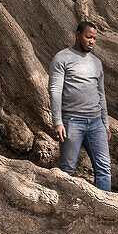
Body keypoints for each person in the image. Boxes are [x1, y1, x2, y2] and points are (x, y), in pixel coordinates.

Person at [48, 21, 111, 191]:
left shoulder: (97, 63)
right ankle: (64, 207)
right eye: (88, 37)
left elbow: (101, 94)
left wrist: (105, 124)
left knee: (104, 169)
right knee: (67, 170)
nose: (92, 41)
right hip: (72, 121)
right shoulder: (62, 58)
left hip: (96, 123)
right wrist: (57, 121)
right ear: (78, 35)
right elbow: (55, 90)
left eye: (94, 38)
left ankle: (106, 210)